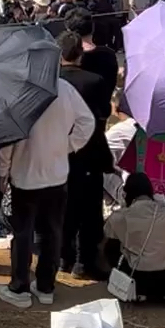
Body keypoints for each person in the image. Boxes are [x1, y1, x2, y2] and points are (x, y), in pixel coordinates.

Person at [0, 77, 95, 309]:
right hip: (57, 176)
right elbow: (87, 121)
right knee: (52, 231)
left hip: (25, 176)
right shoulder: (65, 87)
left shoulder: (16, 91)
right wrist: (67, 146)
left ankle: (19, 287)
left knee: (23, 233)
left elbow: (6, 139)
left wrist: (3, 170)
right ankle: (45, 287)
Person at [57, 31, 115, 279]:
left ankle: (63, 259)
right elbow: (103, 115)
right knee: (90, 210)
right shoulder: (95, 81)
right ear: (81, 54)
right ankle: (84, 262)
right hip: (90, 151)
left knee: (63, 208)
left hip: (58, 153)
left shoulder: (51, 81)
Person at [103, 173, 165, 304]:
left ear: (126, 194)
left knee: (111, 246)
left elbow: (107, 232)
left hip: (139, 279)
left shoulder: (121, 217)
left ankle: (141, 293)